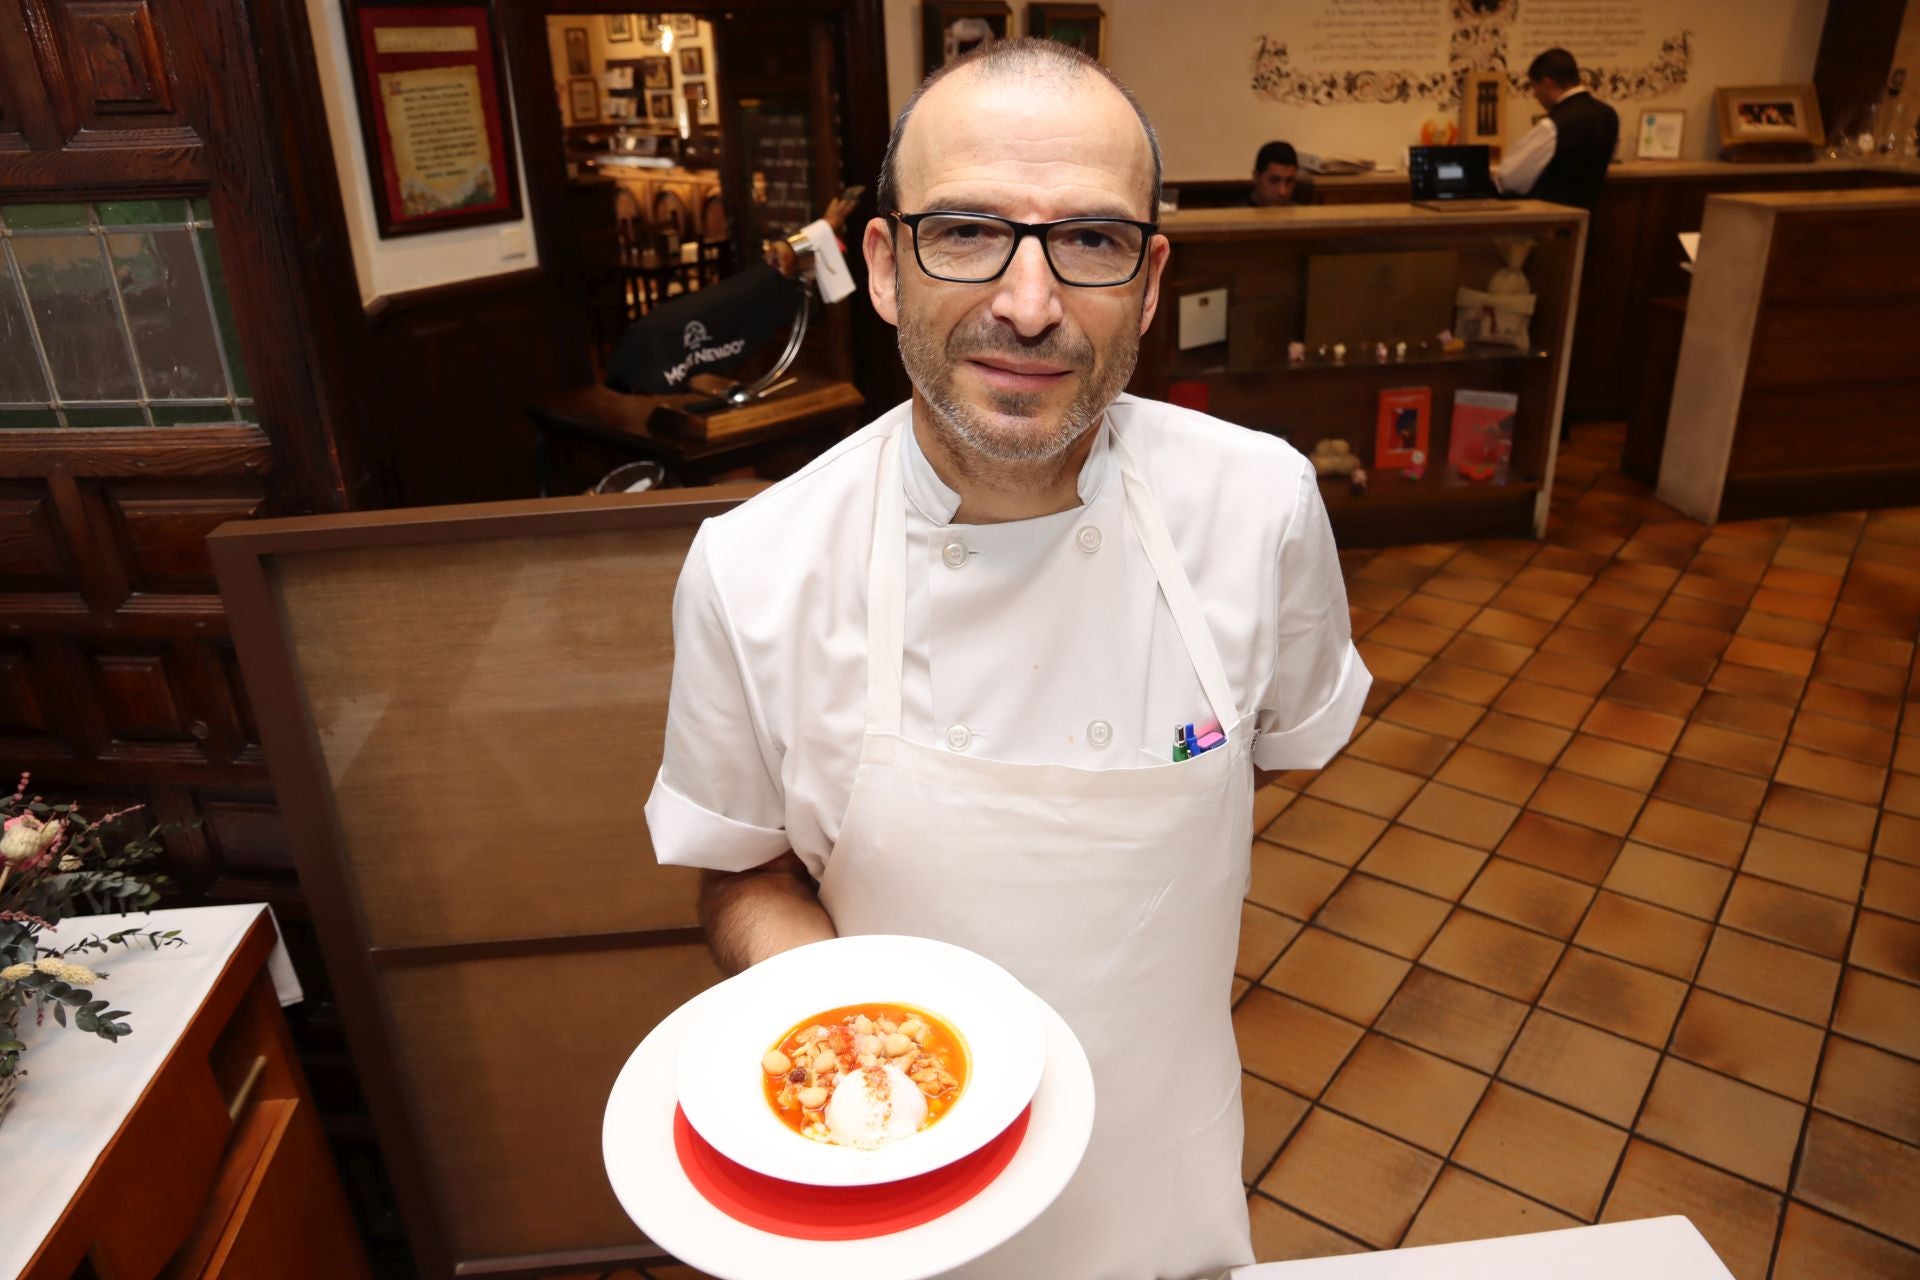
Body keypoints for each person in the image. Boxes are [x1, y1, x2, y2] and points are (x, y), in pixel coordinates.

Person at [645, 37, 1369, 1279]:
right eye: (968, 231)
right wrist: (866, 1036)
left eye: (1088, 242)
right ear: (881, 265)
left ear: (1148, 283)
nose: (1028, 305)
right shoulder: (753, 566)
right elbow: (740, 873)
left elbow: (1271, 756)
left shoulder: (1263, 508)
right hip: (888, 1198)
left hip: (1167, 1185)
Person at [1495, 47, 1620, 211]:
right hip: (1589, 220)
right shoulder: (1609, 114)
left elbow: (1509, 179)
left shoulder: (1553, 125)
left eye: (1534, 87)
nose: (1535, 95)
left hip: (1550, 222)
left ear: (1547, 83)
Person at [1249, 139, 1314, 206]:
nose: (1282, 192)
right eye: (1274, 181)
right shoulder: (1239, 214)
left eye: (1289, 181)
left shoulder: (1303, 214)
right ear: (1256, 177)